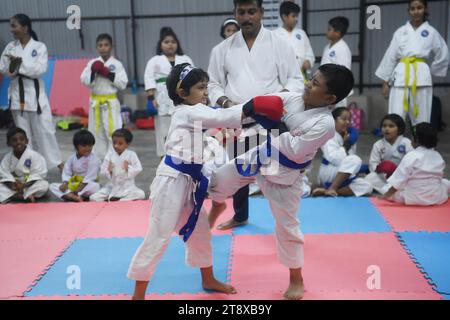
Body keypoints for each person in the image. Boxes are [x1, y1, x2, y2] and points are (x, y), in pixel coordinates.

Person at [127, 63, 285, 300]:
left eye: (206, 87)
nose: (205, 92)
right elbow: (220, 116)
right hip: (171, 183)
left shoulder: (196, 112)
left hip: (189, 182)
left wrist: (243, 119)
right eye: (200, 88)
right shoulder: (187, 112)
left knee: (200, 233)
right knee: (158, 235)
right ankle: (138, 295)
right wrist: (253, 105)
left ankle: (208, 278)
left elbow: (215, 123)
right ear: (182, 93)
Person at [208, 64, 355, 300]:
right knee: (218, 181)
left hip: (285, 176)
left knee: (287, 228)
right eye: (311, 79)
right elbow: (258, 104)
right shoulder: (293, 98)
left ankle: (296, 278)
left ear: (330, 98)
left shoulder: (325, 124)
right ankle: (218, 205)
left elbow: (294, 151)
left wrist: (272, 124)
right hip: (259, 157)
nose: (308, 84)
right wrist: (243, 110)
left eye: (315, 83)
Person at [208, 0, 304, 231]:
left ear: (261, 13)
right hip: (238, 120)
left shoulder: (279, 44)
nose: (247, 17)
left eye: (252, 11)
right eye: (242, 12)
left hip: (270, 120)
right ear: (235, 13)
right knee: (239, 171)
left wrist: (276, 99)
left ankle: (284, 223)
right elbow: (212, 84)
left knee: (273, 176)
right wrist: (225, 102)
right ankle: (240, 216)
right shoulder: (222, 49)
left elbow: (295, 80)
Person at [0, 14, 62, 170]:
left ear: (25, 27)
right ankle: (29, 167)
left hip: (36, 96)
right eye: (11, 25)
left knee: (45, 131)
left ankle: (57, 163)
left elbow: (39, 70)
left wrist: (18, 63)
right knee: (23, 135)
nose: (11, 29)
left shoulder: (39, 47)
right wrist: (15, 66)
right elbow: (3, 68)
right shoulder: (10, 47)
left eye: (14, 26)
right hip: (17, 95)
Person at [376, 0, 449, 126]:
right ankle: (394, 143)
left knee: (422, 115)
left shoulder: (431, 32)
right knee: (396, 114)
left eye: (419, 8)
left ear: (425, 9)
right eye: (413, 8)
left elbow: (443, 54)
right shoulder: (400, 32)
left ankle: (421, 143)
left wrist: (430, 70)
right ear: (409, 11)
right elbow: (390, 56)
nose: (416, 11)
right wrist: (385, 82)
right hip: (400, 75)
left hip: (421, 75)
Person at [144, 27, 194, 158]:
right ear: (160, 45)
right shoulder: (154, 61)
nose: (170, 44)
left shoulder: (186, 59)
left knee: (182, 128)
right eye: (166, 42)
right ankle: (164, 157)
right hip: (162, 99)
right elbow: (149, 78)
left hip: (182, 97)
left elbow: (194, 78)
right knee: (163, 130)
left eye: (173, 41)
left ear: (177, 44)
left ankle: (183, 155)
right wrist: (150, 98)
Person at [81, 33, 129, 161]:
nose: (103, 48)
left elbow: (123, 83)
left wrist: (109, 74)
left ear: (112, 46)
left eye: (106, 45)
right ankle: (99, 161)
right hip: (95, 102)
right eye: (100, 45)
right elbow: (84, 80)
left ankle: (115, 160)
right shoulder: (92, 63)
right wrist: (94, 72)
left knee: (113, 131)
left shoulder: (117, 64)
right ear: (97, 47)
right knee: (96, 132)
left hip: (110, 101)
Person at [380, 123, 450, 206]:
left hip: (413, 198)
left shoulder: (411, 155)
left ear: (416, 140)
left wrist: (387, 195)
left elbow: (398, 180)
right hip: (436, 198)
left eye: (412, 137)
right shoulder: (437, 155)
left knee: (385, 188)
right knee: (445, 182)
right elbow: (438, 178)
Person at [312, 107, 372, 197]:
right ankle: (332, 187)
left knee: (367, 186)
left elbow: (348, 162)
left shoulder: (348, 136)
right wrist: (346, 145)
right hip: (329, 171)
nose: (347, 122)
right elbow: (334, 158)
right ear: (334, 120)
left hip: (342, 173)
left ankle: (329, 190)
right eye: (344, 119)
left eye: (349, 120)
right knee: (355, 160)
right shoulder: (328, 135)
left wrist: (355, 169)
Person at [90, 129, 146, 202]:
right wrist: (109, 171)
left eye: (120, 143)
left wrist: (128, 168)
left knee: (141, 194)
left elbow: (138, 168)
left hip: (128, 187)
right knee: (93, 198)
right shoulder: (109, 155)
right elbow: (103, 172)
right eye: (114, 143)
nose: (116, 146)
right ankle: (117, 199)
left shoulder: (131, 155)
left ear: (127, 144)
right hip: (112, 187)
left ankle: (121, 200)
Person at [365, 114, 413, 194]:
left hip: (401, 176)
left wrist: (399, 173)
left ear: (399, 129)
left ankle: (389, 190)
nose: (387, 129)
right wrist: (379, 169)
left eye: (391, 126)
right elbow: (373, 163)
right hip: (384, 176)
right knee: (368, 179)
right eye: (384, 126)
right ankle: (393, 190)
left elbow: (411, 162)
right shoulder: (378, 144)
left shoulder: (406, 143)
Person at [49, 130, 101, 202]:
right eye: (84, 146)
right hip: (75, 184)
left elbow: (91, 177)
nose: (87, 148)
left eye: (90, 146)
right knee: (52, 186)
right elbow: (66, 172)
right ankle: (74, 196)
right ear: (76, 146)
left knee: (95, 186)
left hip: (87, 185)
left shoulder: (94, 159)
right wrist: (65, 183)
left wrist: (78, 189)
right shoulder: (72, 158)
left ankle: (70, 195)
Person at [0, 127, 49, 203]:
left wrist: (24, 185)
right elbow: (4, 173)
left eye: (21, 139)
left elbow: (38, 174)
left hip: (29, 185)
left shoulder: (34, 156)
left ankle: (16, 196)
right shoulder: (7, 158)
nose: (18, 142)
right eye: (14, 140)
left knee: (44, 185)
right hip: (14, 186)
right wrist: (11, 185)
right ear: (8, 143)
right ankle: (24, 196)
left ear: (27, 141)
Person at [274, 1, 315, 77]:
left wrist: (308, 61)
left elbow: (309, 54)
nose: (296, 19)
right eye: (293, 16)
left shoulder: (301, 33)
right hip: (282, 76)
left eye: (297, 16)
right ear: (284, 17)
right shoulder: (274, 35)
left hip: (301, 75)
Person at [320, 16, 352, 107]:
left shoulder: (343, 49)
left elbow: (344, 73)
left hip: (337, 90)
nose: (326, 32)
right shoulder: (327, 47)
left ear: (337, 33)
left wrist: (336, 91)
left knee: (337, 116)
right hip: (326, 87)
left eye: (329, 29)